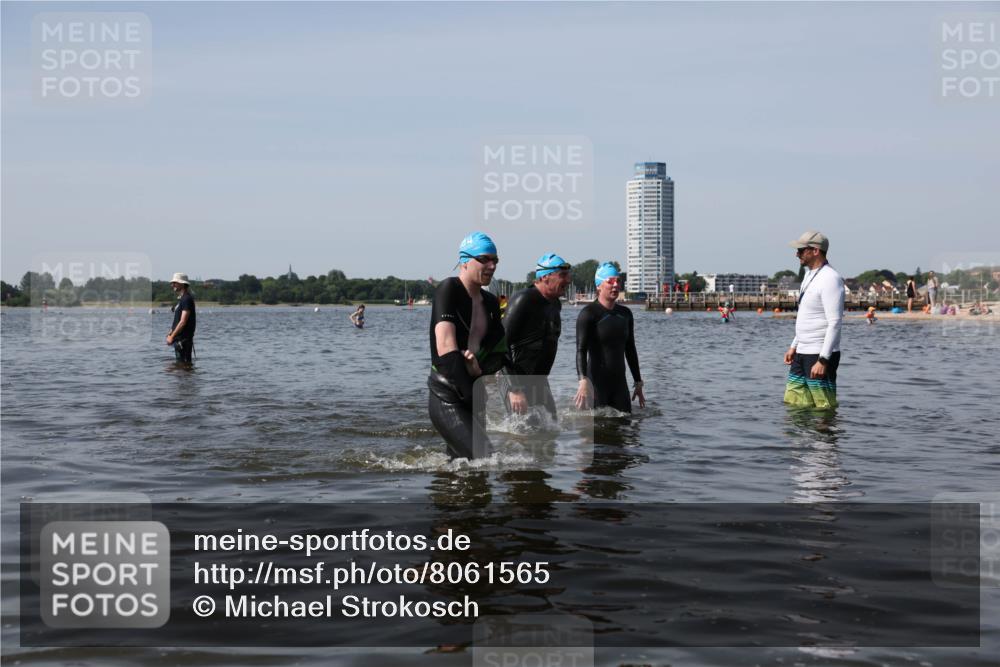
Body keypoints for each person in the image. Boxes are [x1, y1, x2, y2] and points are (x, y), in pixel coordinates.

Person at [427, 232, 507, 459]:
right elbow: (445, 346)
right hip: (447, 393)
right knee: (486, 458)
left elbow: (499, 350)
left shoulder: (491, 302)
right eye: (484, 259)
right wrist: (470, 392)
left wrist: (482, 371)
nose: (492, 265)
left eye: (495, 260)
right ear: (464, 261)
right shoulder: (448, 289)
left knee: (466, 469)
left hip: (474, 390)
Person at [500, 253, 572, 419]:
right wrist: (514, 389)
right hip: (516, 380)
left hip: (539, 381)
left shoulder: (555, 304)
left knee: (551, 429)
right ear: (546, 277)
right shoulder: (523, 300)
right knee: (522, 436)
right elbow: (501, 345)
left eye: (568, 275)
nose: (568, 280)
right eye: (563, 275)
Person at [783, 232, 844, 410]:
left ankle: (823, 438)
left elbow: (835, 322)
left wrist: (823, 360)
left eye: (801, 250)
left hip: (819, 353)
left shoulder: (831, 279)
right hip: (802, 350)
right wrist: (795, 344)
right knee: (794, 402)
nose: (797, 254)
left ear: (815, 251)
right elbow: (806, 314)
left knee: (822, 407)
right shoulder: (809, 275)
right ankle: (801, 438)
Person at [574, 263, 645, 413]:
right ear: (599, 285)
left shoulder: (625, 314)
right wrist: (583, 381)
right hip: (596, 386)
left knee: (627, 429)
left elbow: (630, 349)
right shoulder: (588, 314)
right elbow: (581, 350)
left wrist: (638, 382)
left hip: (620, 386)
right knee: (598, 431)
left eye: (618, 281)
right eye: (610, 281)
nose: (615, 285)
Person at [166, 272, 197, 364]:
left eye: (175, 282)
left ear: (182, 284)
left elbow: (183, 322)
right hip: (179, 340)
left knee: (183, 367)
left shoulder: (186, 299)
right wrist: (171, 332)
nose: (172, 285)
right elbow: (178, 319)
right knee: (181, 369)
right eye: (172, 283)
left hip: (184, 341)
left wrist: (171, 336)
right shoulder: (182, 299)